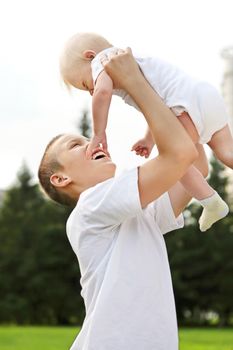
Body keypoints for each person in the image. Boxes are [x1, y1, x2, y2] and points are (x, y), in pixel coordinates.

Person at [39, 48, 203, 349]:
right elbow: (180, 155)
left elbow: (195, 169)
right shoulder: (91, 206)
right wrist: (135, 83)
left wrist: (163, 95)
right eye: (76, 144)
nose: (91, 143)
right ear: (61, 178)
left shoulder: (135, 213)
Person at [59, 32, 231, 232]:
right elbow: (158, 107)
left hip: (184, 106)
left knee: (177, 161)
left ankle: (211, 202)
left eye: (86, 84)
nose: (91, 91)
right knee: (227, 153)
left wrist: (99, 133)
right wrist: (149, 140)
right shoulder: (133, 62)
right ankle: (211, 201)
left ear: (90, 56)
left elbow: (102, 93)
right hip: (205, 96)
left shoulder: (104, 61)